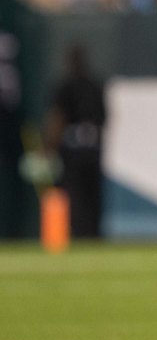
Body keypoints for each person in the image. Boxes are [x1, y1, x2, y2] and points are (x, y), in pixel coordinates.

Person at [45, 44, 107, 239]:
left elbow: (58, 119)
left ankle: (80, 235)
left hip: (73, 152)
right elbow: (105, 120)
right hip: (93, 150)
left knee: (76, 198)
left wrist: (48, 147)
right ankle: (91, 235)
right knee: (91, 199)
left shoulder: (67, 87)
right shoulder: (95, 86)